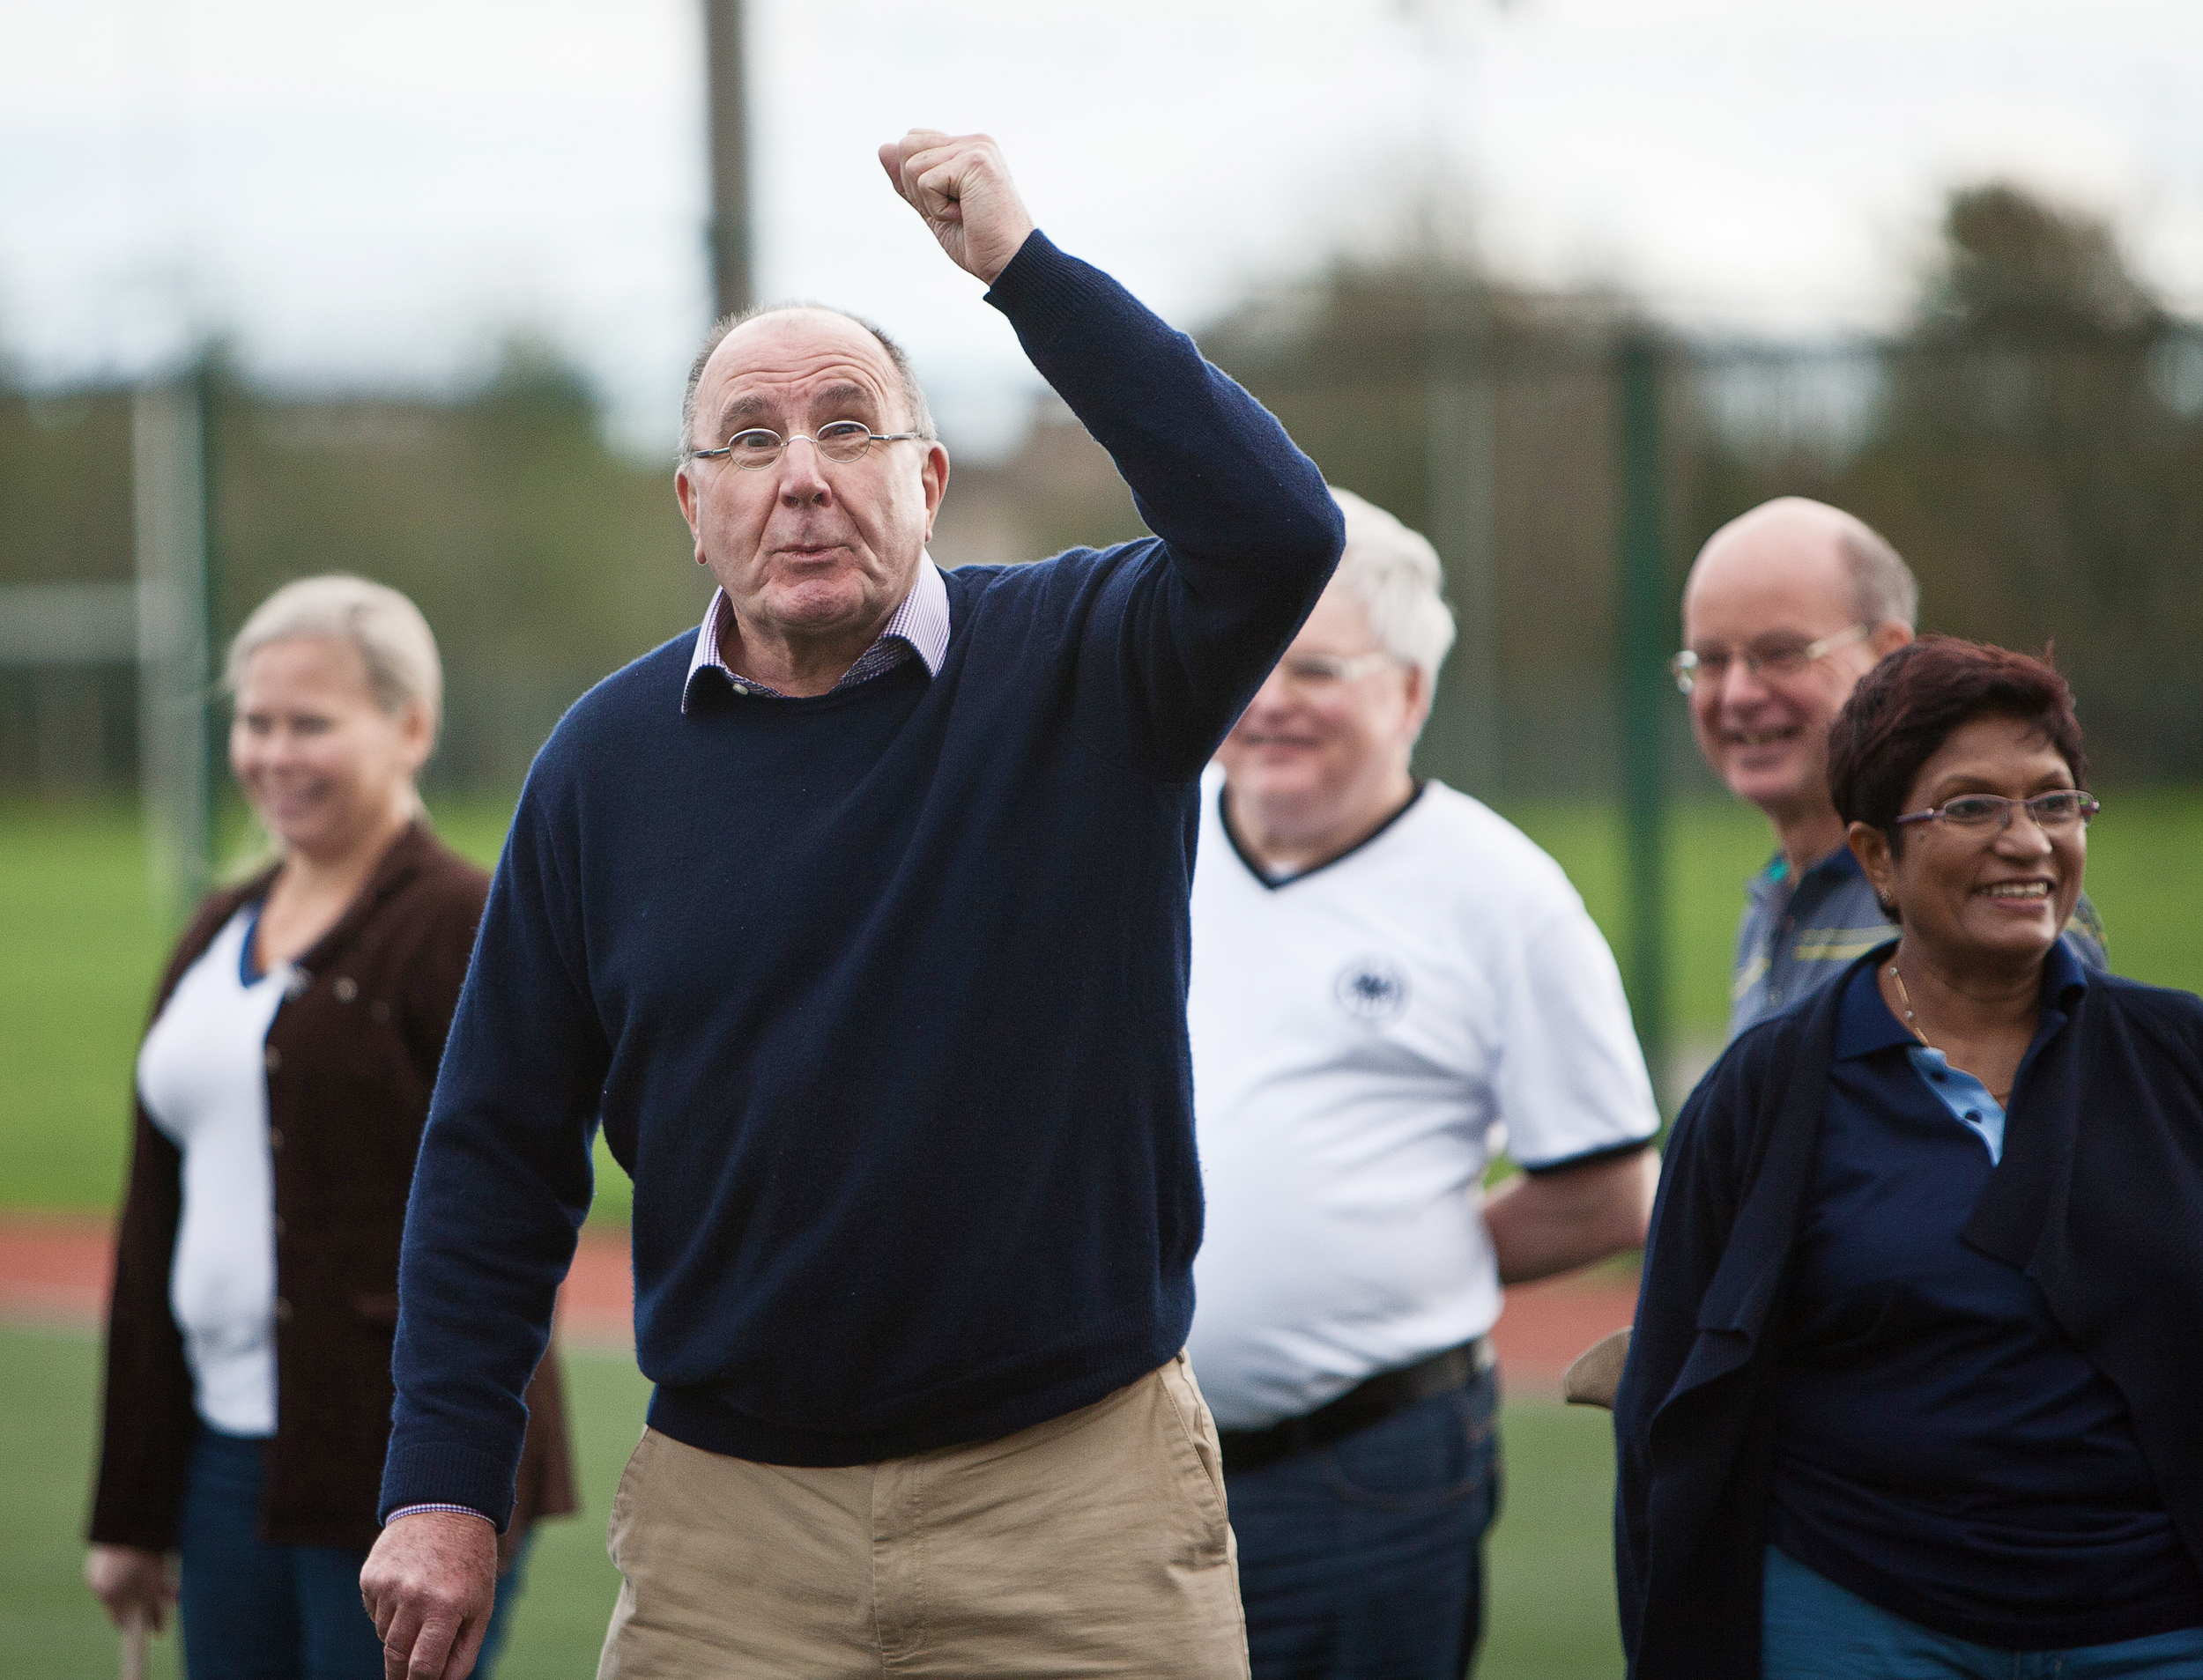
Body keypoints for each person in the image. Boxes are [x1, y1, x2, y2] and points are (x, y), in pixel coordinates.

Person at [360, 130, 1343, 1680]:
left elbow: (1278, 526)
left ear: (929, 477)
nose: (802, 475)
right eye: (749, 441)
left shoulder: (1092, 663)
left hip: (1074, 1510)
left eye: (847, 426)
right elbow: (493, 1153)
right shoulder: (603, 765)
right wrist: (440, 1480)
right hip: (727, 1535)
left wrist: (1024, 272)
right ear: (695, 506)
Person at [1616, 635, 2203, 1679]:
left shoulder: (2178, 1061)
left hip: (2150, 1621)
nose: (2026, 841)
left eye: (2055, 802)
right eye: (1972, 807)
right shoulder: (1762, 1096)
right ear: (1876, 854)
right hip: (1856, 1617)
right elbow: (1669, 1401)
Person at [1185, 490, 1661, 1679]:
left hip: (1363, 1467)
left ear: (1410, 689)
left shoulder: (1504, 893)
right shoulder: (1140, 837)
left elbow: (1609, 1190)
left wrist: (1402, 1254)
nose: (1275, 698)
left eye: (1321, 667)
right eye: (1259, 659)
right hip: (1115, 1463)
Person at [84, 577, 575, 1679]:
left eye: (313, 721)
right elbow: (154, 1221)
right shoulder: (219, 923)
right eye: (256, 721)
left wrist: (448, 1479)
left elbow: (517, 1192)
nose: (275, 751)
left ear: (410, 727)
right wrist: (130, 1500)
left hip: (397, 1462)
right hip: (223, 1460)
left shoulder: (462, 921)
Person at [1676, 497, 2105, 1039]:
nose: (1737, 693)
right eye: (1711, 661)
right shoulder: (1776, 902)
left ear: (1890, 656)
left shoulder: (1987, 897)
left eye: (1783, 652)